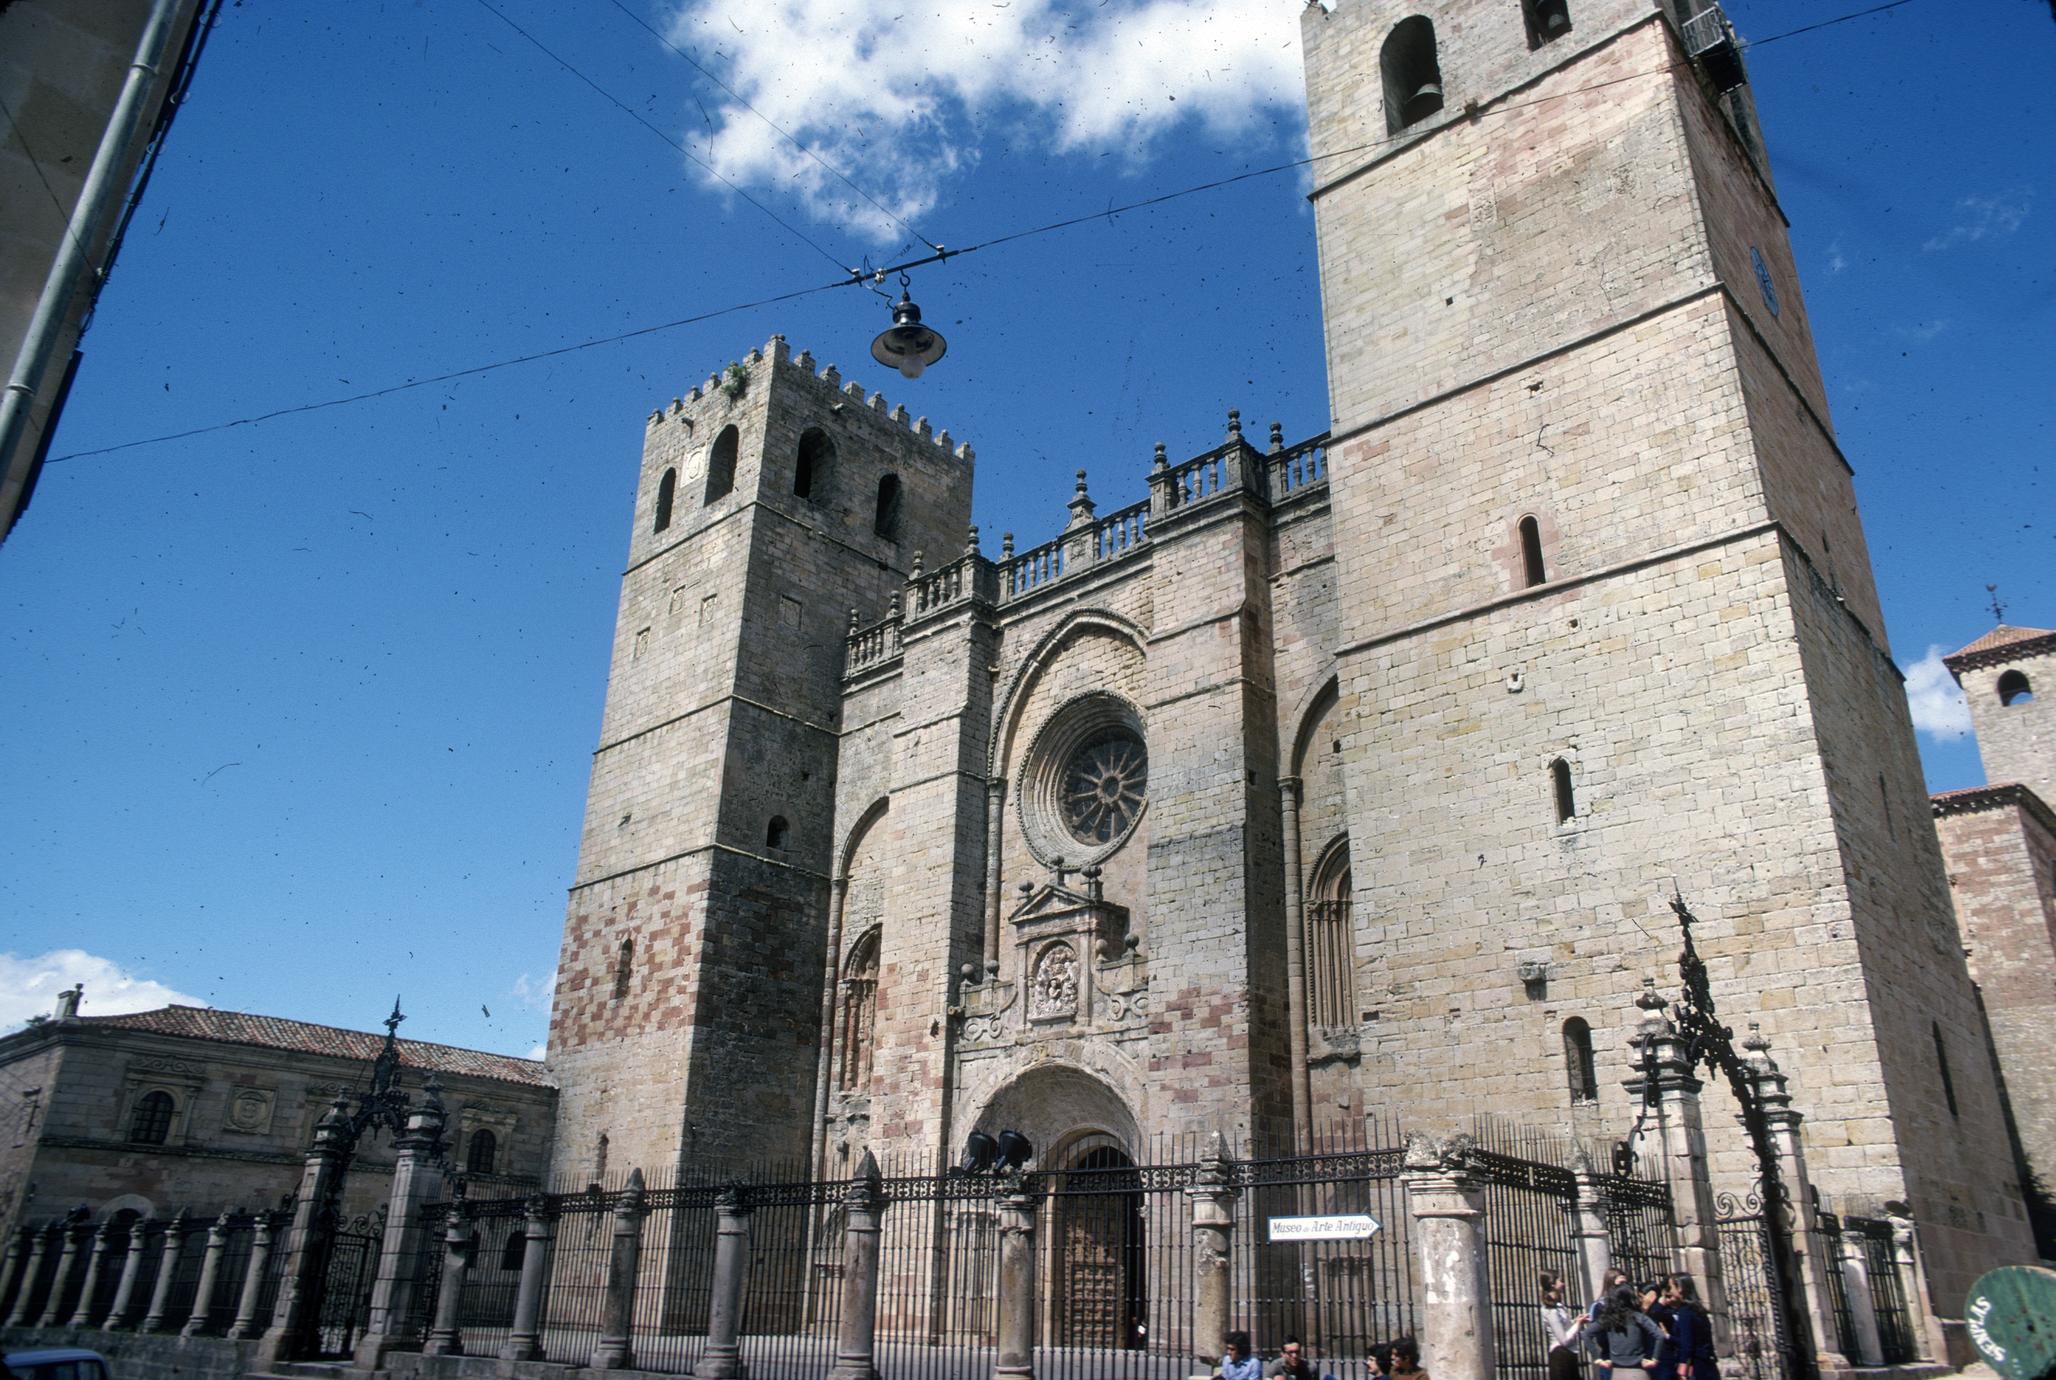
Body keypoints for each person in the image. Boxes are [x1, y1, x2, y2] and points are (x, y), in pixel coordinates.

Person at [1586, 1284, 1663, 1376]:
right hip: (1638, 1370)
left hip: (1617, 1371)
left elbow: (1586, 1334)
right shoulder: (1638, 1317)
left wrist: (1598, 1358)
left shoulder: (1608, 1319)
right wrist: (1654, 1359)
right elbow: (1660, 1335)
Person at [1663, 1275, 1720, 1380]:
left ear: (1679, 1288)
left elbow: (1687, 1344)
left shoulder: (1685, 1312)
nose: (1669, 1292)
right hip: (1708, 1364)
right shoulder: (1698, 1310)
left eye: (1670, 1287)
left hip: (1696, 1367)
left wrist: (1682, 1371)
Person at [1542, 1271, 1586, 1380]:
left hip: (1569, 1354)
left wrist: (1575, 1321)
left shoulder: (1559, 1306)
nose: (1563, 1284)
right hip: (1560, 1356)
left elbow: (1563, 1328)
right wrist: (1578, 1324)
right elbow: (1563, 1340)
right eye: (1560, 1281)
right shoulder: (1550, 1311)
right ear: (1553, 1285)